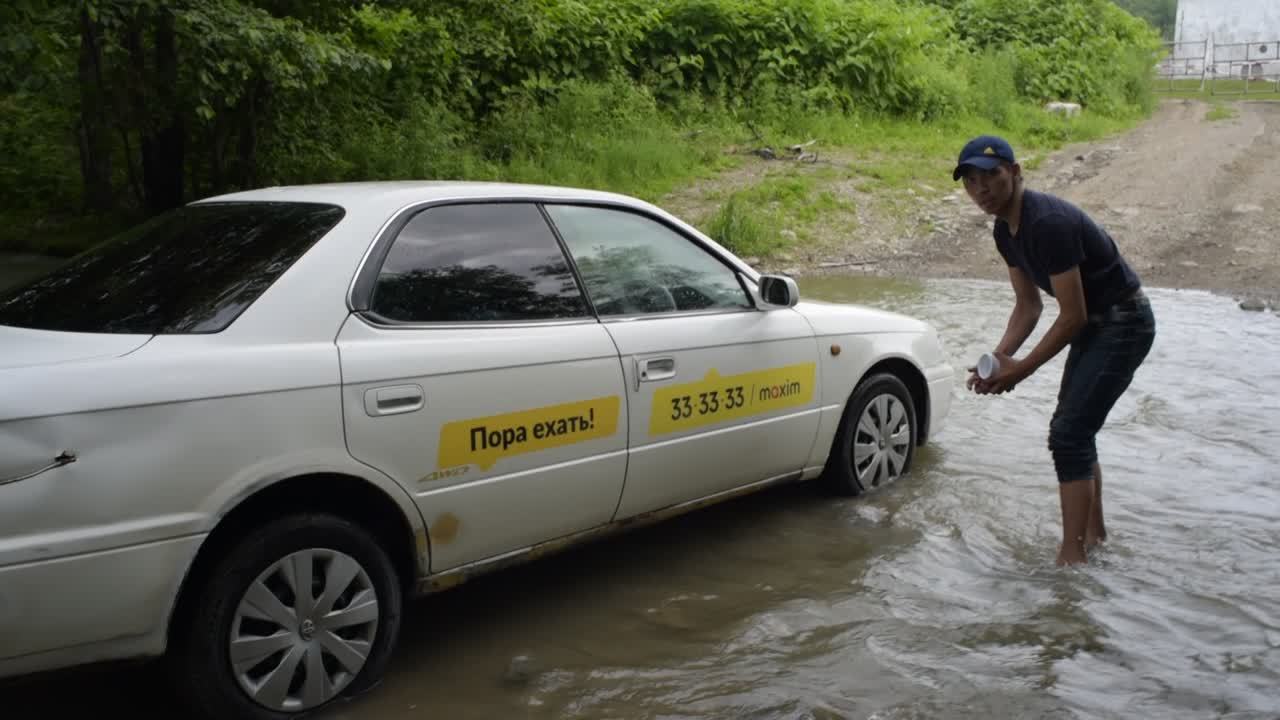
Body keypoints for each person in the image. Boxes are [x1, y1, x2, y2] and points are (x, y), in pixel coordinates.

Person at [952, 135, 1156, 567]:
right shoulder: (1005, 230)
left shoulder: (1047, 222)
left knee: (1068, 434)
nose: (981, 189)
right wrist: (996, 361)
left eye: (991, 175)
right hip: (1098, 323)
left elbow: (1073, 315)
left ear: (1016, 172)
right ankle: (1095, 539)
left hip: (1124, 320)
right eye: (971, 181)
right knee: (1076, 430)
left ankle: (1072, 556)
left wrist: (1020, 369)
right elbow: (1028, 305)